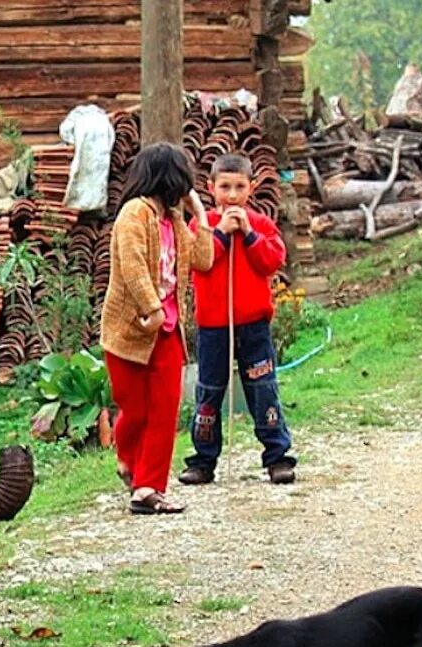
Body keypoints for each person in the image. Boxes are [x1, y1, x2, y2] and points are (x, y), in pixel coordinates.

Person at [99, 142, 215, 515]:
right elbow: (132, 266)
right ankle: (130, 460)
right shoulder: (135, 213)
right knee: (133, 408)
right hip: (130, 331)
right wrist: (150, 308)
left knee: (164, 409)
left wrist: (200, 216)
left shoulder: (175, 221)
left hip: (168, 331)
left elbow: (203, 259)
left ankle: (147, 488)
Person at [178, 153, 297, 486]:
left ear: (252, 188)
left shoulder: (260, 224)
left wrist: (246, 235)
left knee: (263, 389)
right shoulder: (199, 226)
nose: (232, 195)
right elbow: (199, 261)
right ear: (210, 187)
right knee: (209, 393)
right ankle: (202, 460)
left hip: (254, 327)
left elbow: (271, 262)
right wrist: (218, 233)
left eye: (239, 187)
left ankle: (277, 456)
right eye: (225, 187)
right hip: (214, 328)